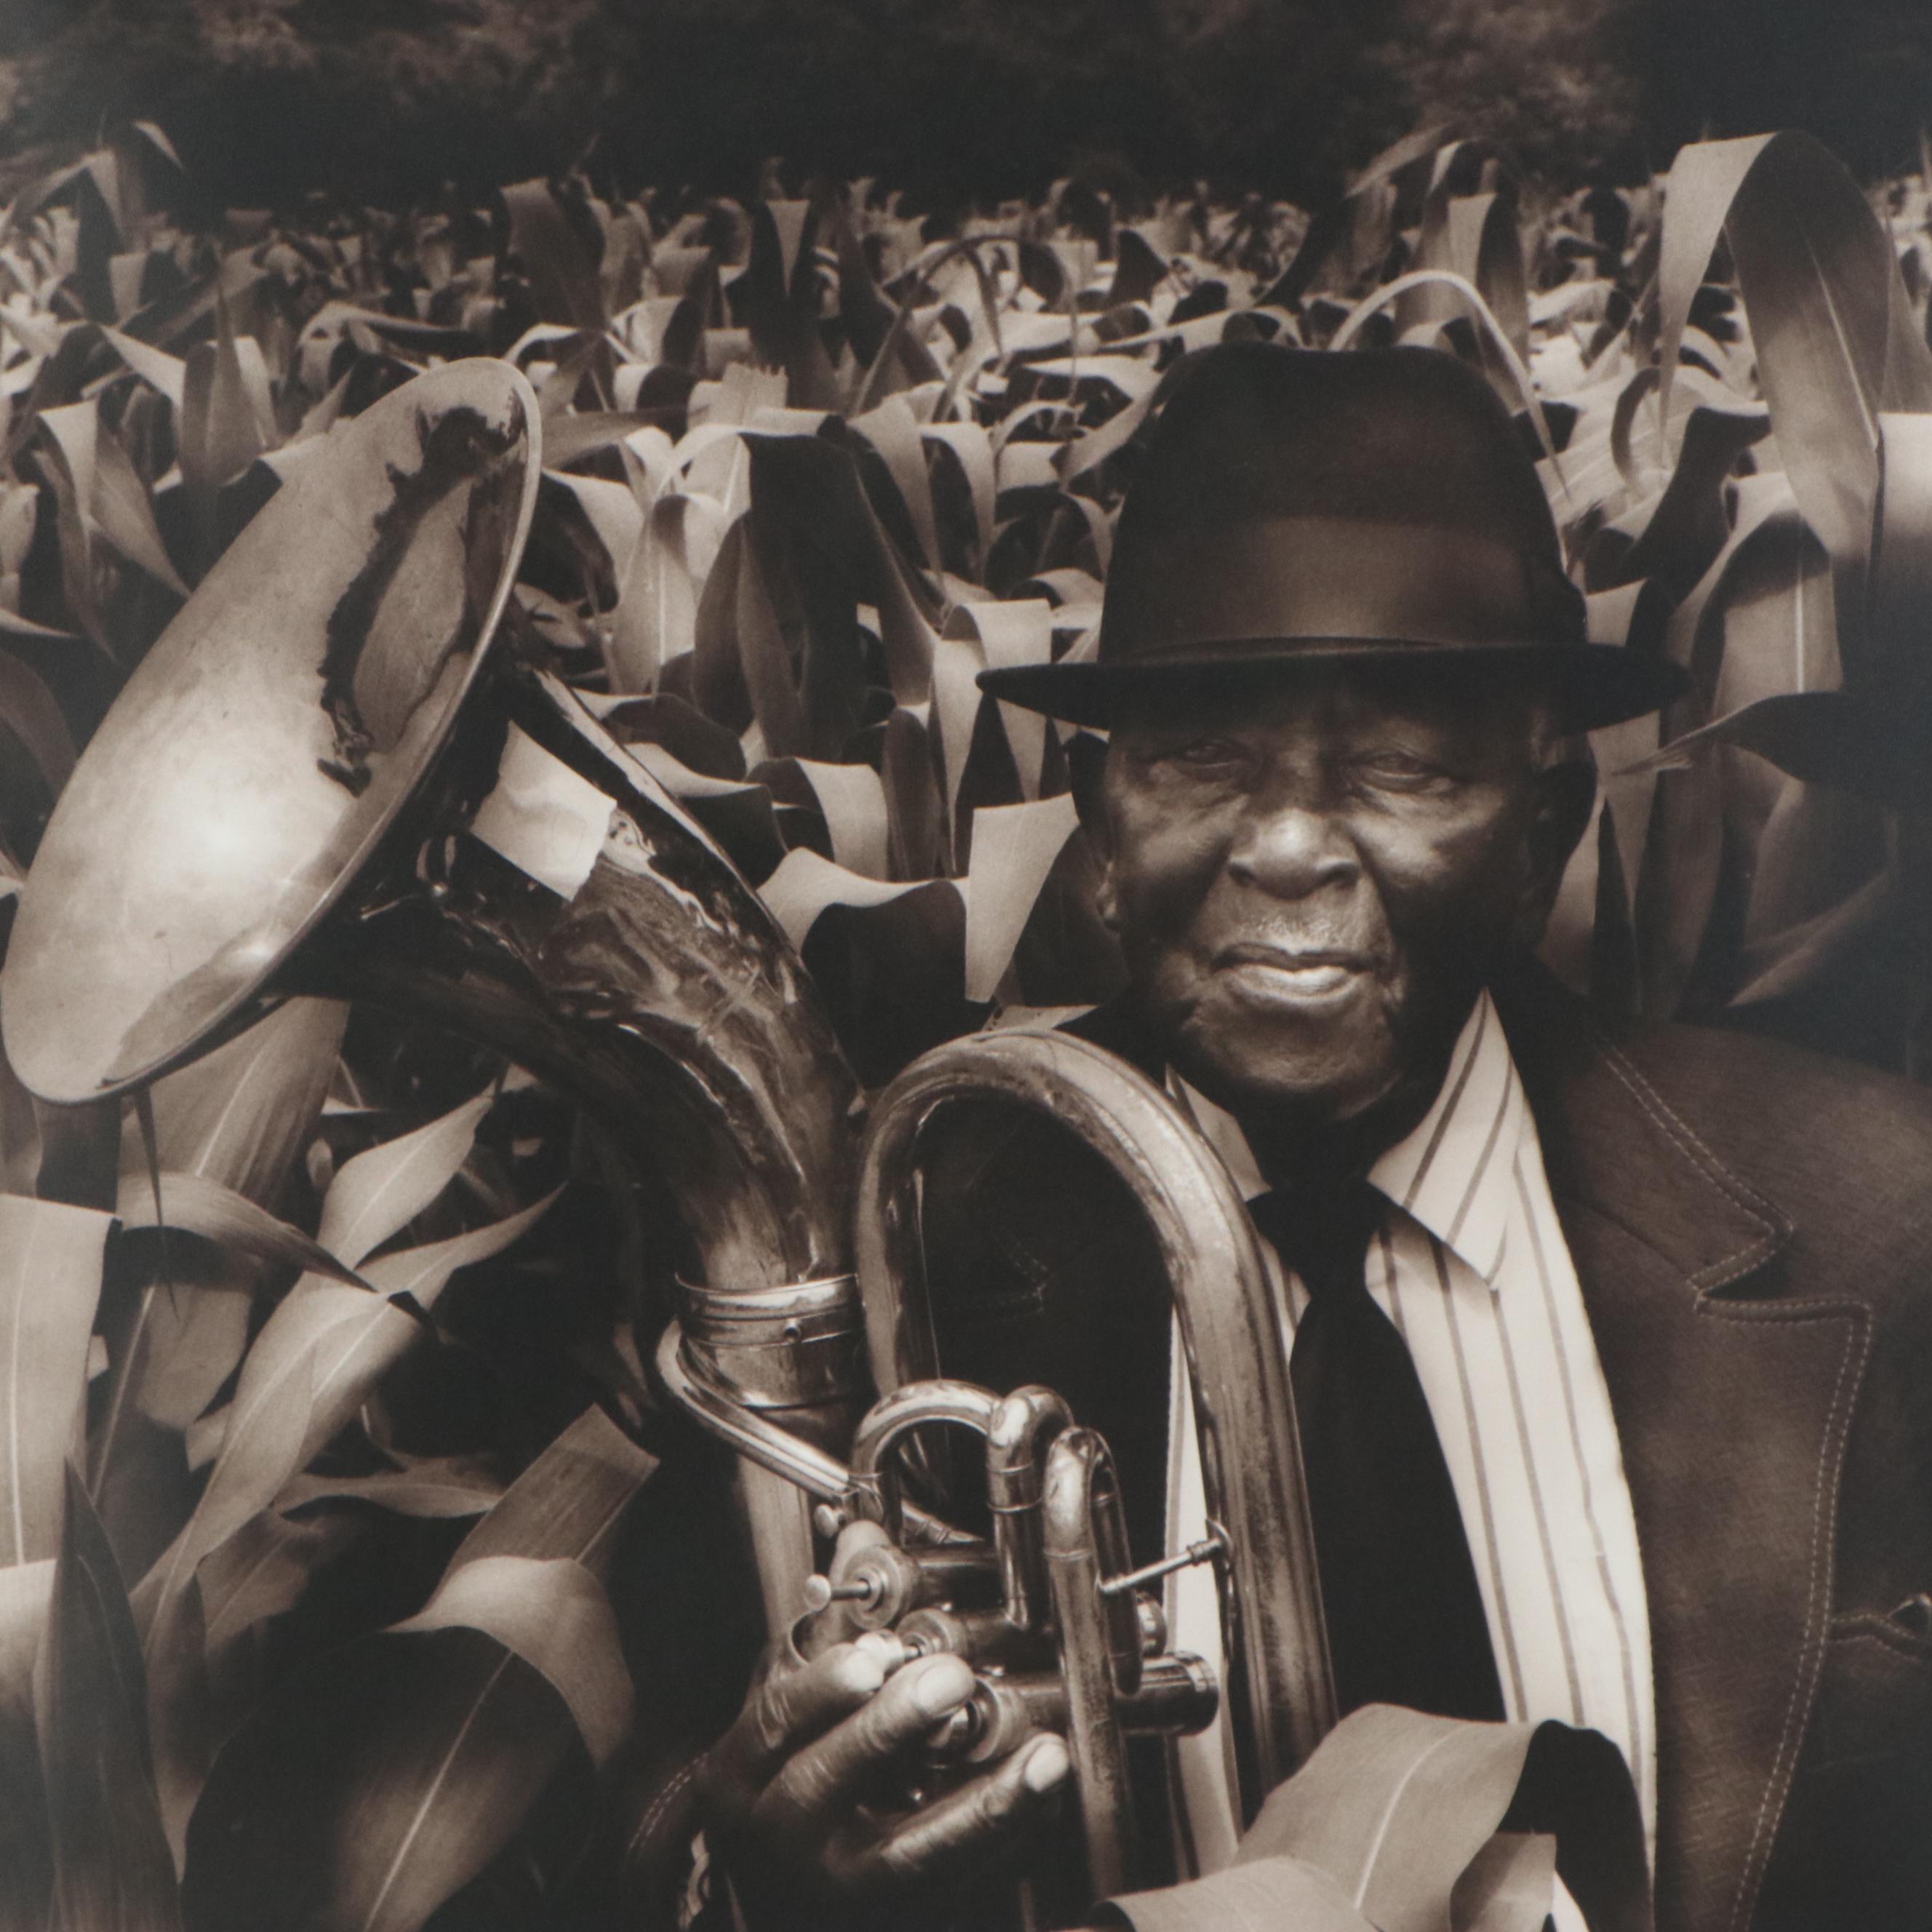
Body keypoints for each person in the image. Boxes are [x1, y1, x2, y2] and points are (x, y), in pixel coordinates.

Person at [691, 345, 1932, 1931]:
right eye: (1200, 756)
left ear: (1543, 829)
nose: (1281, 848)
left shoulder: (1885, 1219)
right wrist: (767, 1889)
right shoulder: (901, 1248)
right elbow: (664, 1830)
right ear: (1097, 820)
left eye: (1400, 767)